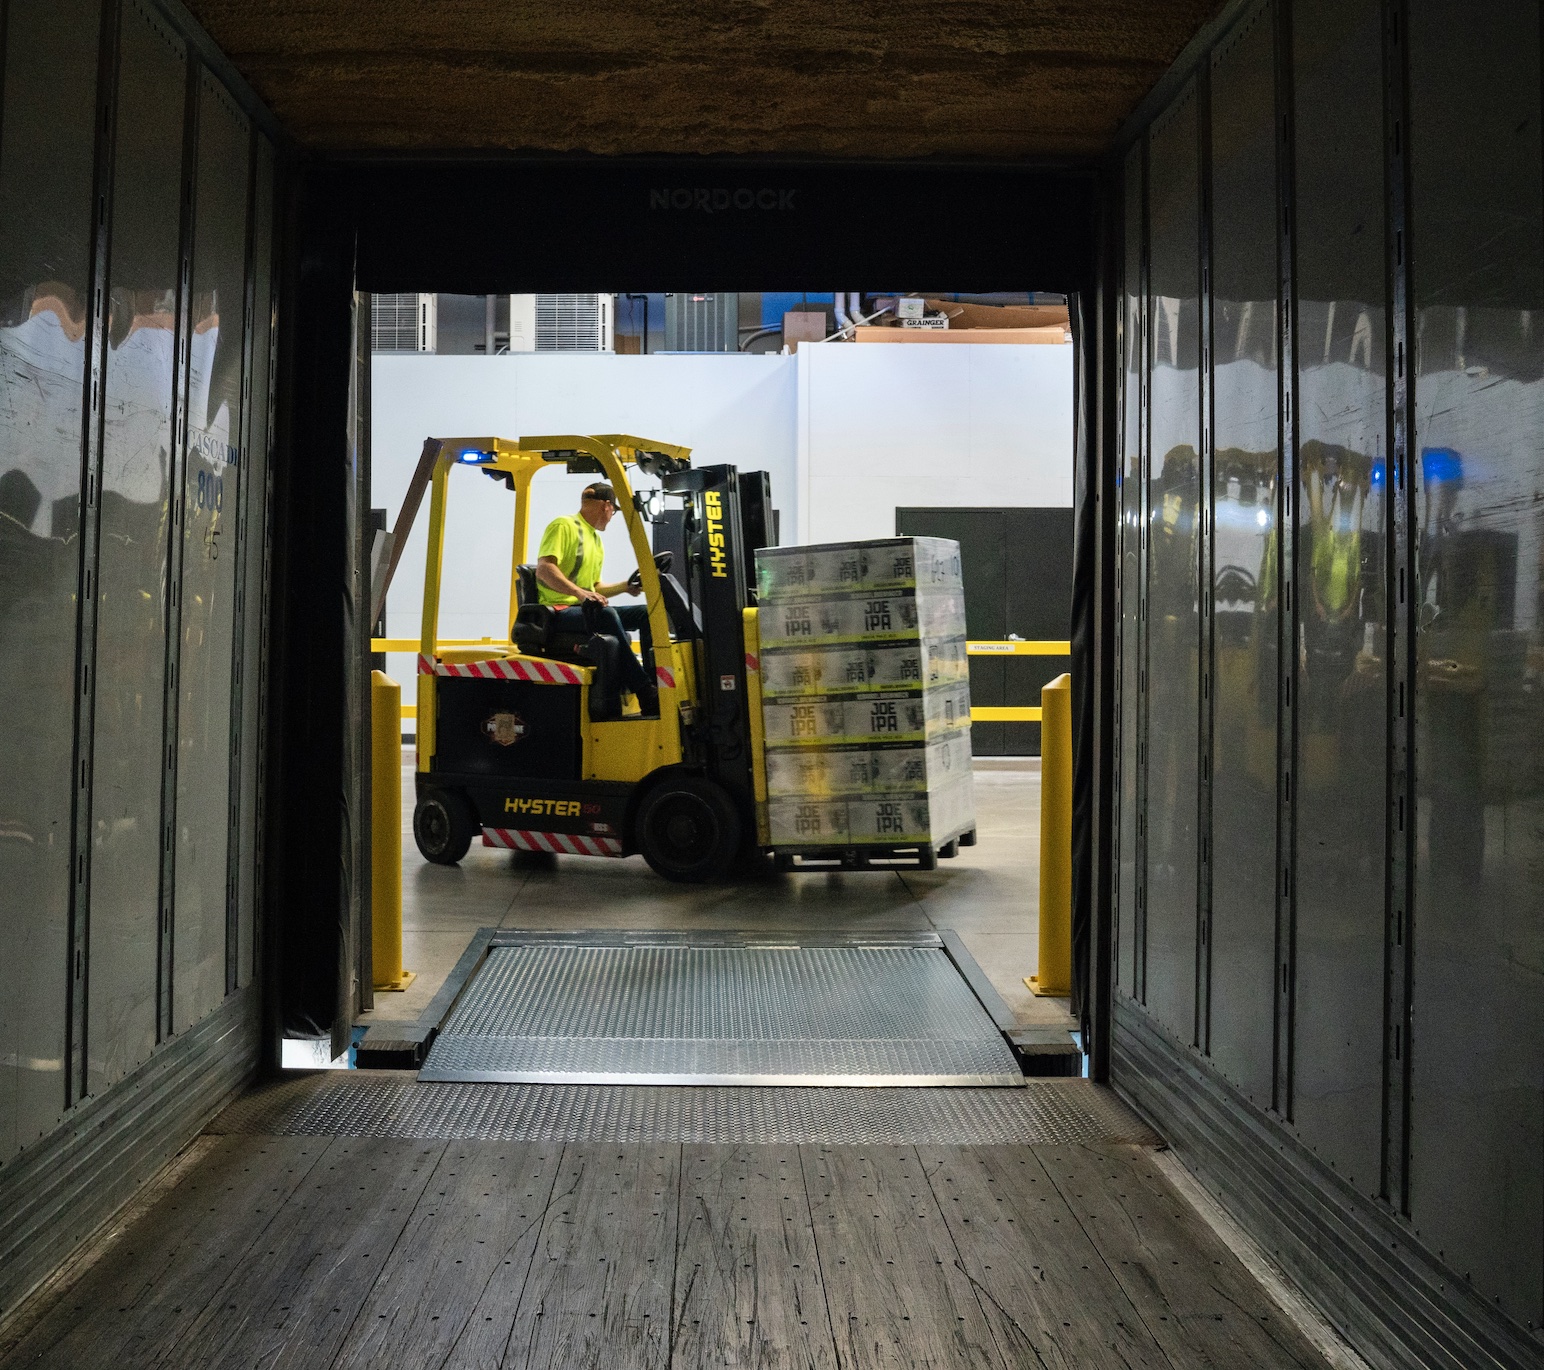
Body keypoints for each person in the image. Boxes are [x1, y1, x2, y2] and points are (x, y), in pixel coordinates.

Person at [533, 481, 656, 710]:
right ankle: (644, 689)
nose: (611, 517)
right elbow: (544, 569)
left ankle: (657, 679)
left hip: (583, 608)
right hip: (557, 611)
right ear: (606, 506)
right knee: (606, 615)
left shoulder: (595, 540)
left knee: (646, 613)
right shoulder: (563, 525)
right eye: (613, 512)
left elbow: (594, 587)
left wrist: (625, 587)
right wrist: (579, 594)